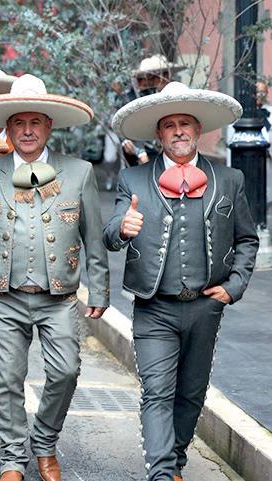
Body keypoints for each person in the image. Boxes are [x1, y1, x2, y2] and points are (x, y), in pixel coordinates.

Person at [106, 81, 258, 481]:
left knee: (191, 394)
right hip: (153, 306)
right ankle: (162, 473)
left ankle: (173, 461)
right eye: (169, 125)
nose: (177, 131)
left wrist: (234, 286)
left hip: (205, 307)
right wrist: (122, 227)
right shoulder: (134, 179)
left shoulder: (229, 179)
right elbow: (110, 231)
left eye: (184, 123)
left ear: (198, 129)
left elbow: (247, 239)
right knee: (157, 391)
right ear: (159, 133)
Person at [0, 74, 110, 481]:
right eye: (19, 123)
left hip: (58, 297)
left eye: (35, 122)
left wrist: (100, 289)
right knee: (6, 380)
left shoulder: (79, 171)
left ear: (49, 126)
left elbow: (93, 237)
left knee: (66, 371)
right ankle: (13, 457)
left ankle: (44, 442)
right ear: (8, 128)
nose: (27, 130)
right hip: (5, 295)